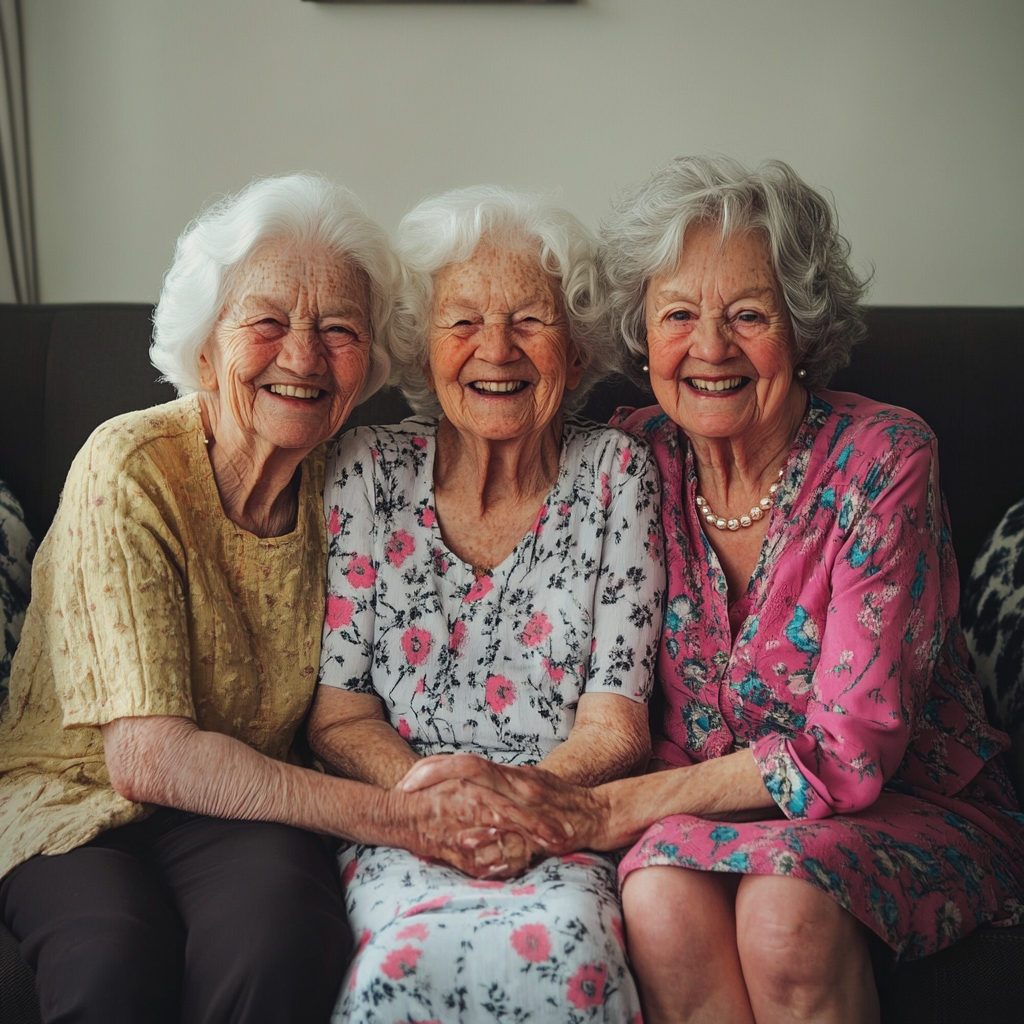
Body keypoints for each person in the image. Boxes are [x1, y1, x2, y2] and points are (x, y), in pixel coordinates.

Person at [403, 157, 1024, 1024]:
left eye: (747, 315)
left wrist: (602, 805)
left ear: (802, 329)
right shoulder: (629, 459)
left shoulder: (884, 461)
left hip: (906, 804)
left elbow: (850, 756)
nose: (710, 348)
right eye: (679, 316)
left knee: (785, 914)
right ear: (642, 337)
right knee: (656, 901)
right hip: (705, 817)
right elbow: (490, 448)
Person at [0, 174, 563, 1024]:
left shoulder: (350, 481)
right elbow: (146, 758)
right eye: (267, 322)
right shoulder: (130, 468)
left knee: (283, 941)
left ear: (366, 363)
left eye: (337, 330)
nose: (301, 357)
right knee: (113, 956)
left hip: (243, 809)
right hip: (77, 802)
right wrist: (401, 817)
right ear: (204, 345)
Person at [308, 185, 665, 1023]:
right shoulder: (368, 470)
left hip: (555, 827)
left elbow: (616, 728)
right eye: (462, 321)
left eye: (531, 322)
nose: (495, 350)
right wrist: (436, 807)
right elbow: (339, 715)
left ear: (575, 353)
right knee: (396, 962)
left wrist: (518, 808)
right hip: (399, 822)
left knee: (570, 952)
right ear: (422, 347)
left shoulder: (616, 474)